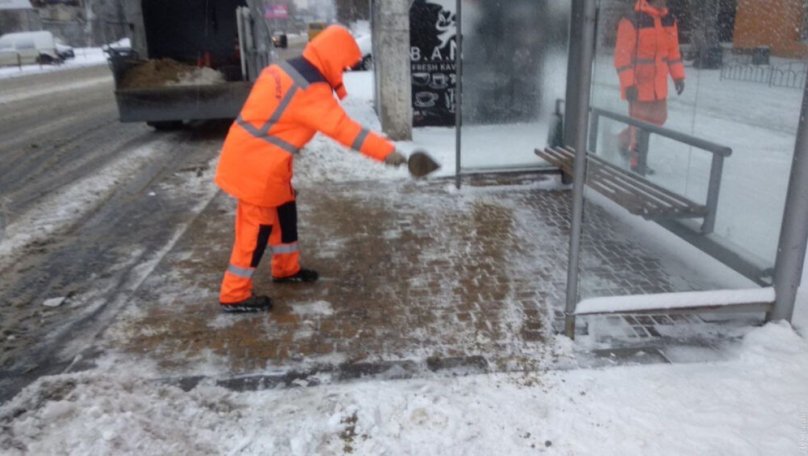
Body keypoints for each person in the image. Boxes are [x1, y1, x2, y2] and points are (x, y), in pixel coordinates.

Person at [215, 25, 407, 313]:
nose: (344, 71)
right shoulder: (310, 91)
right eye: (343, 65)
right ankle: (234, 293)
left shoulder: (285, 71)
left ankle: (286, 268)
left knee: (284, 212)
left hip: (264, 160)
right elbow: (346, 131)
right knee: (256, 229)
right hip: (256, 166)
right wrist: (388, 153)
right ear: (332, 57)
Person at [614, 0, 685, 174]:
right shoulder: (632, 19)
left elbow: (673, 52)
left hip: (658, 84)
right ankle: (637, 161)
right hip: (638, 84)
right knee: (640, 124)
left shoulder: (669, 20)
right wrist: (629, 83)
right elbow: (622, 56)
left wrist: (678, 76)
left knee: (658, 118)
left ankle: (622, 141)